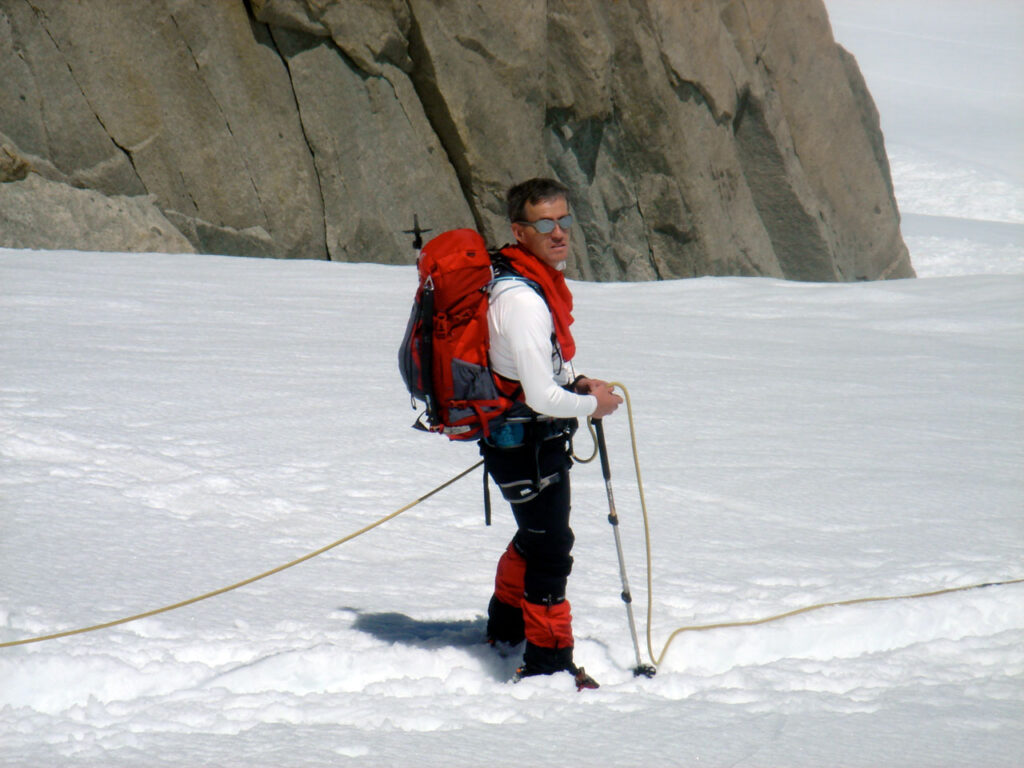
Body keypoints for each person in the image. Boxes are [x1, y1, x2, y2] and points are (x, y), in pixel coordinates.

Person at [481, 177, 622, 688]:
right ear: (520, 231)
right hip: (525, 444)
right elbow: (541, 397)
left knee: (540, 536)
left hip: (525, 440)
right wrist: (593, 403)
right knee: (550, 548)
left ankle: (505, 625)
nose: (559, 232)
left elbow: (541, 374)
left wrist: (577, 382)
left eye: (564, 220)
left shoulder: (528, 282)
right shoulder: (523, 300)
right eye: (545, 224)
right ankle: (547, 661)